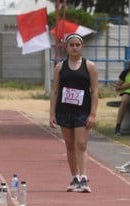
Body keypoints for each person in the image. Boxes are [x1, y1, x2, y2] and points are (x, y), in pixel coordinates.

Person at [49, 33, 98, 194]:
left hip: (82, 110)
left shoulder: (89, 66)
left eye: (78, 45)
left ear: (82, 47)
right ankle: (74, 177)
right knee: (69, 144)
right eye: (72, 45)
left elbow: (95, 91)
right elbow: (55, 91)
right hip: (64, 110)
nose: (75, 47)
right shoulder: (60, 67)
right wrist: (52, 114)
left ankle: (84, 177)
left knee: (81, 144)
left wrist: (92, 114)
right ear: (67, 47)